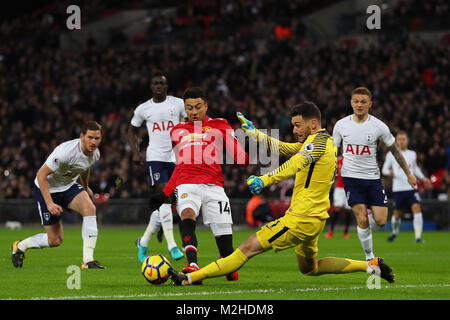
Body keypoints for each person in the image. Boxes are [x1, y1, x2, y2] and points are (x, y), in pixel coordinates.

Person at [166, 102, 394, 286]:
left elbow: (295, 163)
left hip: (300, 219)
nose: (294, 130)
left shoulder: (318, 144)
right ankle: (370, 265)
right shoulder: (322, 141)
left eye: (297, 125)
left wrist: (265, 179)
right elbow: (285, 148)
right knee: (310, 268)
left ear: (313, 124)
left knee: (245, 249)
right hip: (313, 220)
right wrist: (256, 134)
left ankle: (189, 277)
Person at [149, 87, 249, 282]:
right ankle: (193, 265)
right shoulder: (177, 131)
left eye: (197, 107)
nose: (193, 112)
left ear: (206, 106)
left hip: (214, 186)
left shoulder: (220, 125)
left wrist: (253, 146)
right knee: (186, 213)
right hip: (187, 184)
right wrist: (165, 194)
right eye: (189, 108)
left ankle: (226, 263)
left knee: (227, 252)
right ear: (184, 109)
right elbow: (179, 166)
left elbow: (240, 156)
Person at [332, 87, 417, 263]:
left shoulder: (379, 126)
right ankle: (370, 257)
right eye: (356, 101)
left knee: (380, 220)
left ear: (370, 104)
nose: (359, 105)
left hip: (372, 179)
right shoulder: (341, 125)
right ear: (351, 103)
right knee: (361, 217)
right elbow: (333, 152)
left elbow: (394, 150)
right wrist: (331, 170)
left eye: (363, 102)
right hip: (350, 177)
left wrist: (409, 173)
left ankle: (363, 226)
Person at [11, 121, 105, 269]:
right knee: (55, 240)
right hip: (47, 189)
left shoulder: (95, 154)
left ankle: (88, 261)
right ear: (82, 137)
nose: (93, 142)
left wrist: (86, 187)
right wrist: (49, 203)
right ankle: (21, 246)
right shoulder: (65, 153)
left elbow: (84, 167)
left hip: (68, 186)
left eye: (97, 138)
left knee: (90, 209)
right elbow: (41, 175)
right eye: (90, 137)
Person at [128, 72, 184, 262]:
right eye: (155, 83)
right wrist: (135, 152)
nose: (158, 86)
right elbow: (132, 130)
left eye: (162, 83)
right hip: (156, 158)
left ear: (166, 86)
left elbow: (192, 121)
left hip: (176, 158)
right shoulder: (143, 109)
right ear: (151, 86)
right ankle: (172, 245)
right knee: (166, 198)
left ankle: (143, 242)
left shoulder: (178, 104)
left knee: (166, 204)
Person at [382, 131, 431, 243]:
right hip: (398, 189)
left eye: (404, 139)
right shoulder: (391, 155)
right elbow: (384, 169)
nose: (402, 141)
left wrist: (423, 178)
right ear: (396, 141)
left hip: (411, 188)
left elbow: (415, 169)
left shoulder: (412, 154)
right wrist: (391, 173)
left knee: (417, 209)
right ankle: (395, 232)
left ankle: (418, 237)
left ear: (407, 140)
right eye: (399, 139)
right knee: (397, 215)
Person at [325, 155, 352, 239]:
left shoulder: (352, 160)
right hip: (339, 188)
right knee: (337, 209)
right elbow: (332, 172)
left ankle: (346, 232)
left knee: (348, 210)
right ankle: (331, 231)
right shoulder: (338, 160)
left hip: (349, 188)